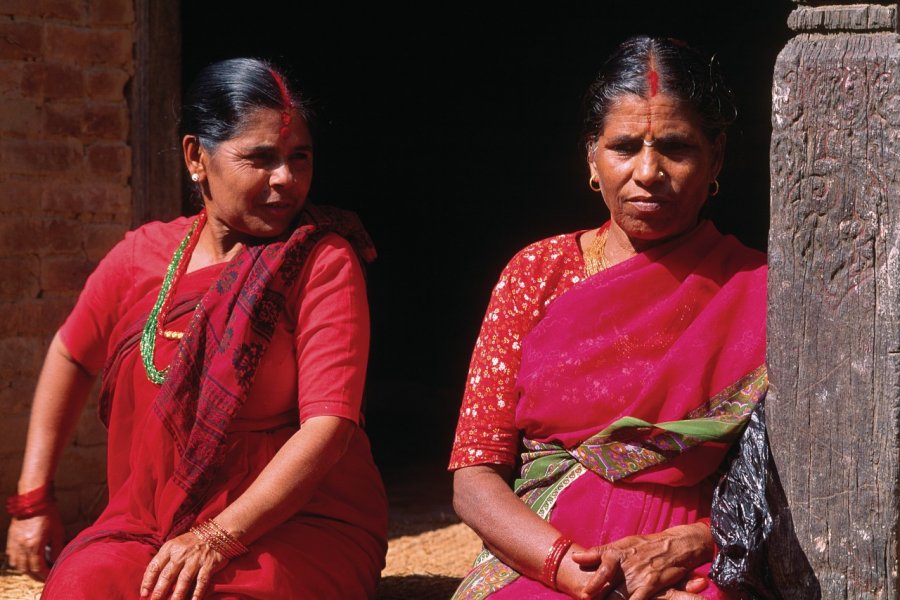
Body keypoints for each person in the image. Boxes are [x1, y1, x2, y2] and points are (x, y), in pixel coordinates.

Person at [4, 58, 388, 599]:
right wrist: (32, 499)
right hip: (152, 521)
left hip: (298, 522)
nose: (286, 179)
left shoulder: (322, 260)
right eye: (260, 159)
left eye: (299, 158)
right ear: (196, 158)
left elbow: (329, 428)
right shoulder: (142, 256)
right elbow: (70, 354)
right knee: (79, 586)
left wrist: (217, 535)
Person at [449, 36, 766, 600]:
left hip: (704, 557)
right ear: (591, 156)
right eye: (624, 146)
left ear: (715, 156)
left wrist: (698, 539)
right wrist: (570, 568)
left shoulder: (760, 288)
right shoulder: (537, 272)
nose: (648, 171)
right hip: (547, 553)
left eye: (675, 147)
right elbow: (474, 478)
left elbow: (798, 473)